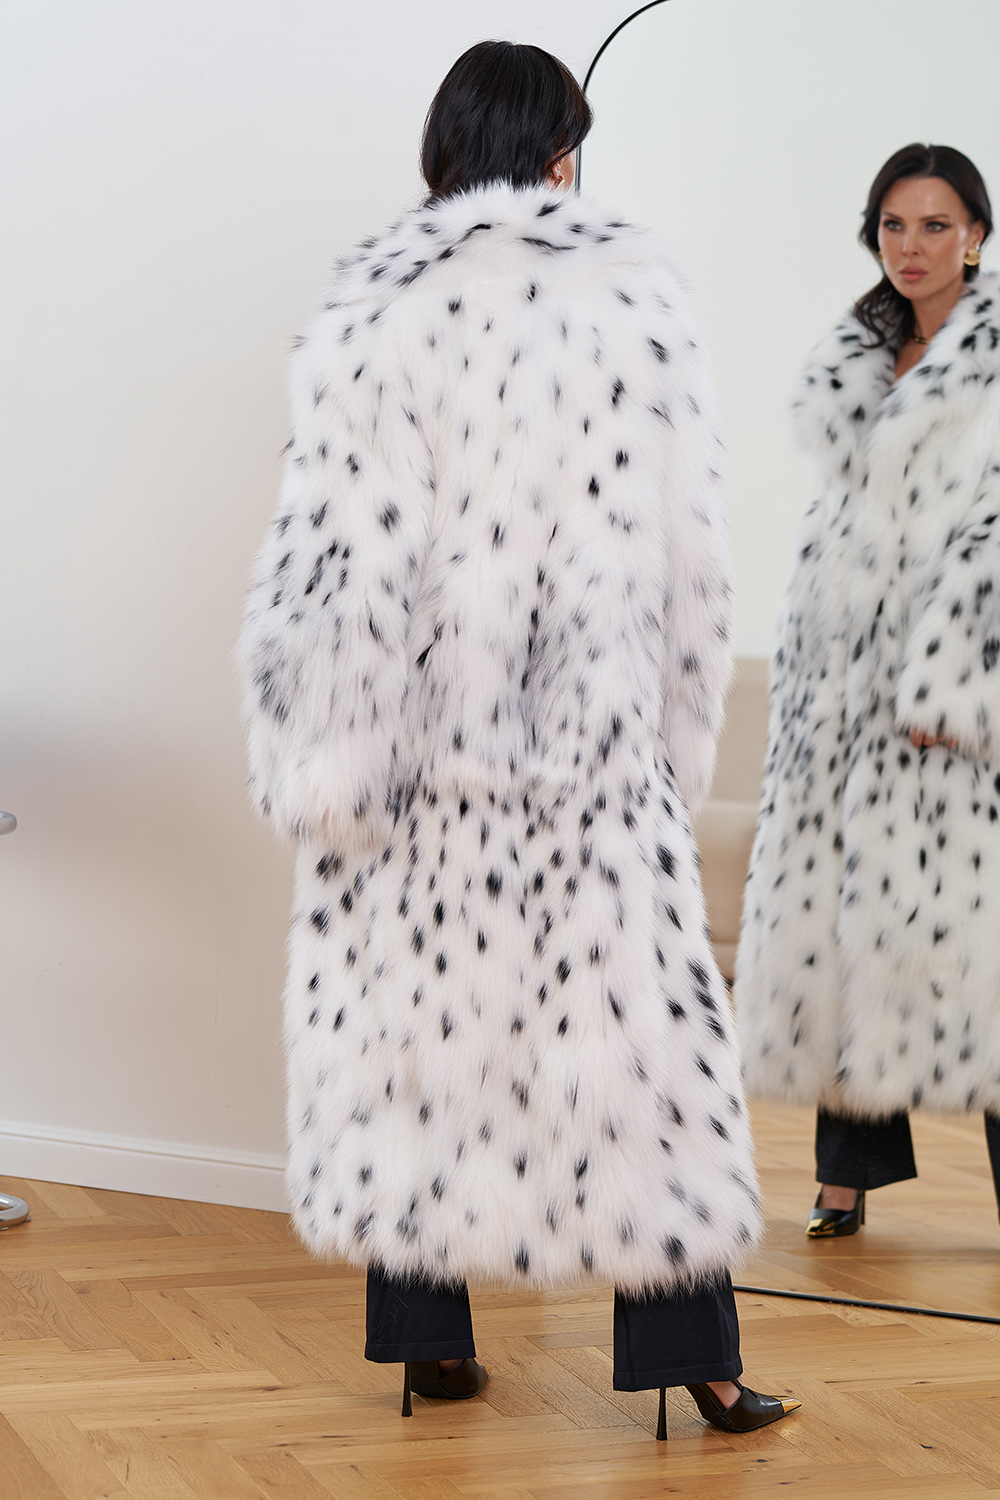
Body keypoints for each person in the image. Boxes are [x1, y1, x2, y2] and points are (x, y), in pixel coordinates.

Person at [240, 40, 799, 1437]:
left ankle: (426, 1343)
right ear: (559, 153)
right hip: (589, 768)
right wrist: (674, 749)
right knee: (641, 1065)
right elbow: (691, 564)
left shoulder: (375, 309)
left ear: (444, 149)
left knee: (412, 1048)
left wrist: (331, 770)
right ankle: (698, 1362)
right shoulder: (632, 302)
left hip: (421, 771)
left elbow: (337, 567)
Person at [736, 143, 1000, 1238]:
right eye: (894, 224)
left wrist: (950, 682)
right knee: (841, 930)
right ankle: (844, 1175)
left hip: (946, 709)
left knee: (975, 950)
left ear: (975, 234)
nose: (912, 246)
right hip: (838, 697)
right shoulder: (856, 357)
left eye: (936, 225)